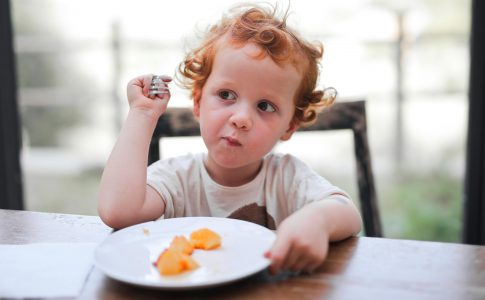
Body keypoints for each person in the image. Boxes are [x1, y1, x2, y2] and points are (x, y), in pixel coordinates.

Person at [97, 3, 362, 275]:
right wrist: (142, 114)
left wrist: (317, 219)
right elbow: (118, 211)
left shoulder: (287, 178)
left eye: (265, 106)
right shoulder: (177, 178)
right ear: (198, 102)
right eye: (226, 95)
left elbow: (348, 214)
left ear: (289, 125)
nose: (241, 118)